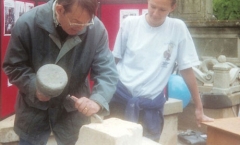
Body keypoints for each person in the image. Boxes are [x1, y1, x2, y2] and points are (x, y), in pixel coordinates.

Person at [2, 0, 118, 145]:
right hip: (33, 113)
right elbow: (14, 65)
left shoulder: (95, 29)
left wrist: (98, 99)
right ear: (60, 9)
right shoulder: (27, 24)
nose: (82, 28)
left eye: (87, 22)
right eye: (76, 23)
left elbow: (107, 71)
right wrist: (34, 87)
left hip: (72, 113)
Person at [109, 0, 214, 142]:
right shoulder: (130, 24)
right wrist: (101, 96)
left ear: (173, 8)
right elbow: (113, 62)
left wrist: (199, 108)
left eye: (162, 10)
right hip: (120, 100)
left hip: (150, 108)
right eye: (152, 7)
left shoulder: (177, 28)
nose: (155, 13)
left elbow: (187, 69)